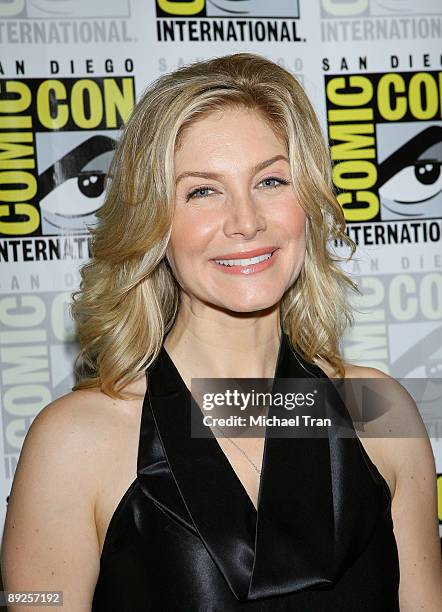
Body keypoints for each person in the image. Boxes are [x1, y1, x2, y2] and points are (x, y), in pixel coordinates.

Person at [1, 52, 441, 611]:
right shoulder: (75, 441)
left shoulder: (380, 412)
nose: (247, 220)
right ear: (153, 223)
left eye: (271, 180)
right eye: (202, 191)